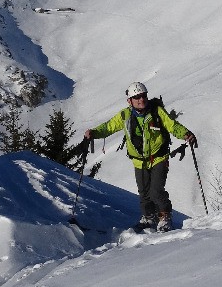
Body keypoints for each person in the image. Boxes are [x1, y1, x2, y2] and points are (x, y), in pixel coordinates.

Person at [84, 82, 197, 232]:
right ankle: (148, 217)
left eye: (143, 96)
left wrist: (186, 134)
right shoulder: (125, 115)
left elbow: (172, 125)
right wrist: (94, 133)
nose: (141, 99)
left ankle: (164, 217)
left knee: (156, 191)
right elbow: (109, 127)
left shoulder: (157, 112)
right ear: (129, 101)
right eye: (137, 97)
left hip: (159, 157)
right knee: (144, 193)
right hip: (139, 161)